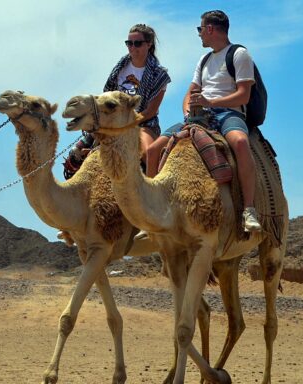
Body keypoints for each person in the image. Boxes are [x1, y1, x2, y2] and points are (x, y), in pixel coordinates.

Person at [146, 10, 262, 232]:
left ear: (210, 29)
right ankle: (153, 211)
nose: (199, 35)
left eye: (200, 29)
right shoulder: (204, 59)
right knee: (153, 151)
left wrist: (211, 102)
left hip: (229, 113)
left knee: (239, 143)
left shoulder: (239, 54)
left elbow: (244, 95)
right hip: (199, 116)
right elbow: (191, 91)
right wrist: (188, 110)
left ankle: (249, 209)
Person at [63, 23, 171, 180]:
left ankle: (155, 195)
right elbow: (106, 97)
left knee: (147, 154)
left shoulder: (159, 75)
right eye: (129, 43)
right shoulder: (120, 67)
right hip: (111, 120)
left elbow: (151, 111)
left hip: (143, 124)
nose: (132, 47)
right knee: (76, 155)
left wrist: (125, 123)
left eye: (137, 43)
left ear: (149, 44)